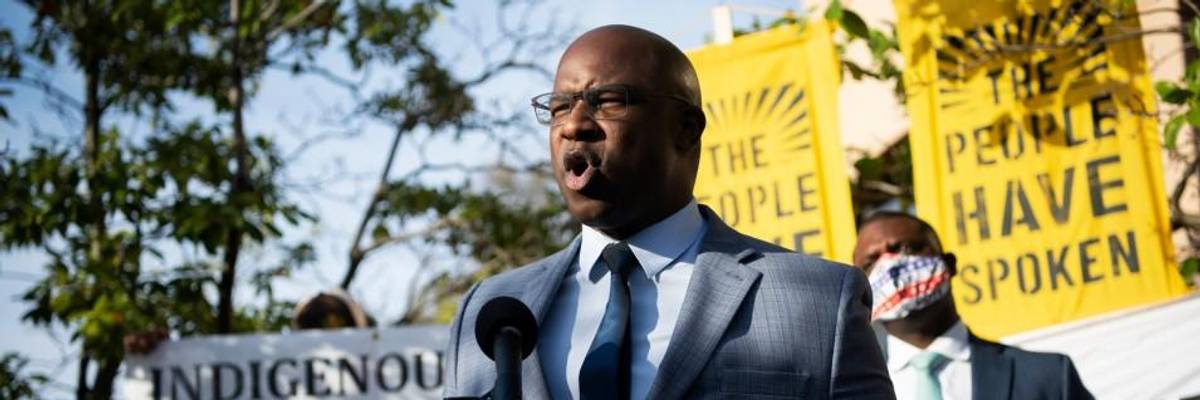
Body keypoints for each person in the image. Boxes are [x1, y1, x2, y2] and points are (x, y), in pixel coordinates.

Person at [443, 25, 893, 400]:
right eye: (559, 107)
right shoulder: (489, 313)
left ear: (685, 130)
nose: (574, 124)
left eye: (608, 101)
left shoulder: (819, 300)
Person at [852, 211, 1093, 400]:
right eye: (872, 262)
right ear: (861, 291)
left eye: (906, 248)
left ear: (949, 264)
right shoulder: (846, 393)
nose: (892, 267)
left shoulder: (1048, 377)